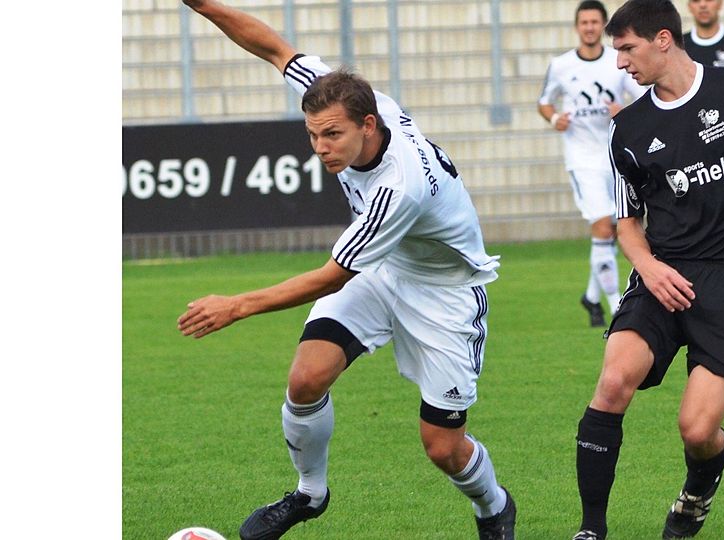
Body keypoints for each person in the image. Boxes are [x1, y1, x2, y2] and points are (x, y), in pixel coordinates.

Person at [176, 2, 516, 539]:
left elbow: (334, 275)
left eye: (332, 135)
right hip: (383, 271)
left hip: (445, 293)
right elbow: (273, 47)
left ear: (368, 123)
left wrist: (237, 305)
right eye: (312, 135)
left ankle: (494, 506)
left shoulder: (398, 185)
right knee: (306, 377)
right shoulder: (342, 98)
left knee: (443, 447)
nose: (320, 148)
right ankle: (310, 494)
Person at [570, 0, 724, 539]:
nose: (620, 64)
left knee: (697, 429)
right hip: (663, 274)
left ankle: (697, 492)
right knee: (612, 381)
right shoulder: (628, 129)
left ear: (663, 40)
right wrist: (648, 267)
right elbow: (627, 221)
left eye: (626, 49)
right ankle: (591, 529)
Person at [538, 0, 647, 328]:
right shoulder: (560, 65)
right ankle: (617, 308)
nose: (589, 27)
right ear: (577, 27)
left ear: (603, 27)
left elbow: (641, 98)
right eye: (584, 22)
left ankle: (590, 296)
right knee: (603, 227)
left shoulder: (618, 64)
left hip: (614, 157)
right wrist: (555, 117)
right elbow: (544, 102)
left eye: (595, 22)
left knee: (613, 232)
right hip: (581, 159)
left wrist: (623, 113)